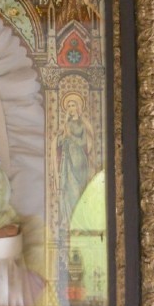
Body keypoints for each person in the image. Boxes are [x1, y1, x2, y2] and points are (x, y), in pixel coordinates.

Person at [57, 93, 95, 227]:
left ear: (78, 107)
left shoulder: (82, 124)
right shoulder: (67, 124)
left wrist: (69, 136)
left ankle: (80, 220)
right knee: (68, 189)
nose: (70, 108)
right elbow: (60, 142)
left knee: (78, 189)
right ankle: (69, 220)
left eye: (73, 105)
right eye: (68, 106)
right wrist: (62, 136)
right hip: (68, 160)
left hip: (78, 160)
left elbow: (84, 142)